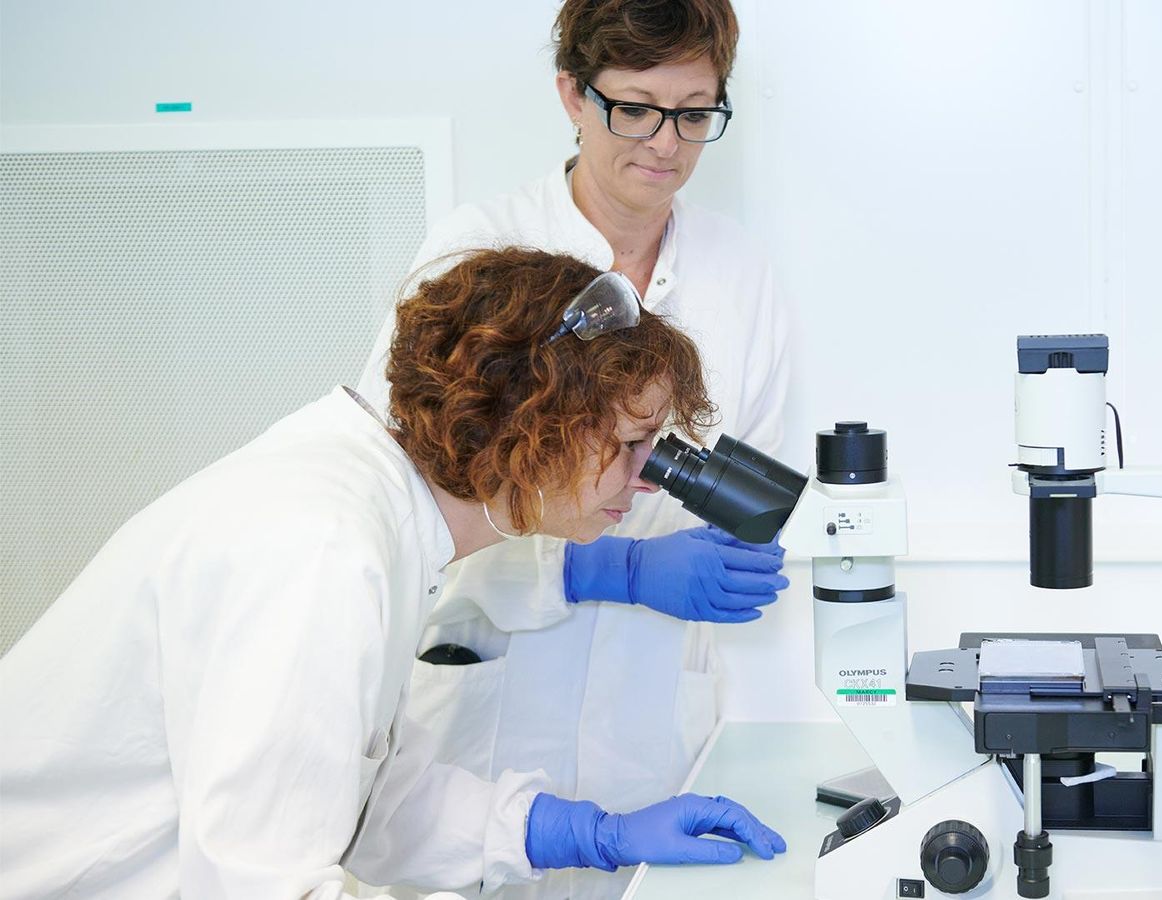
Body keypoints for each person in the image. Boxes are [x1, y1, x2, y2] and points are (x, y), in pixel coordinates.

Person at [0, 248, 785, 899]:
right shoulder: (325, 551)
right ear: (530, 424)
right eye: (627, 446)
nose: (649, 479)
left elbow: (364, 803)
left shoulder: (378, 516)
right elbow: (263, 885)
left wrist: (586, 835)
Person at [354, 2, 789, 897]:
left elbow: (750, 472)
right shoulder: (479, 255)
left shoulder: (740, 273)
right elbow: (405, 509)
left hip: (654, 720)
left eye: (695, 112)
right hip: (492, 718)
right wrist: (605, 570)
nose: (666, 143)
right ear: (572, 95)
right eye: (635, 106)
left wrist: (741, 558)